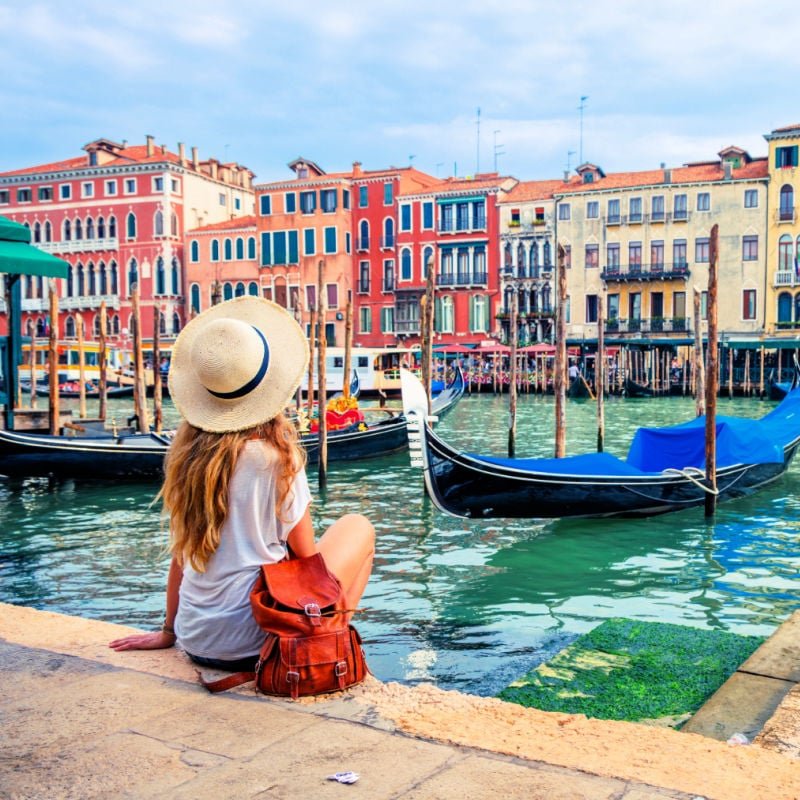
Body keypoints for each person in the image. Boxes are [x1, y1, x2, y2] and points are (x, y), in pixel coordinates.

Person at [109, 296, 375, 671]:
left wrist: (168, 631)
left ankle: (321, 643)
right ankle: (322, 646)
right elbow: (305, 557)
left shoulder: (186, 459)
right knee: (358, 528)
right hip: (258, 641)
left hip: (197, 639)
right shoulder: (278, 459)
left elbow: (180, 558)